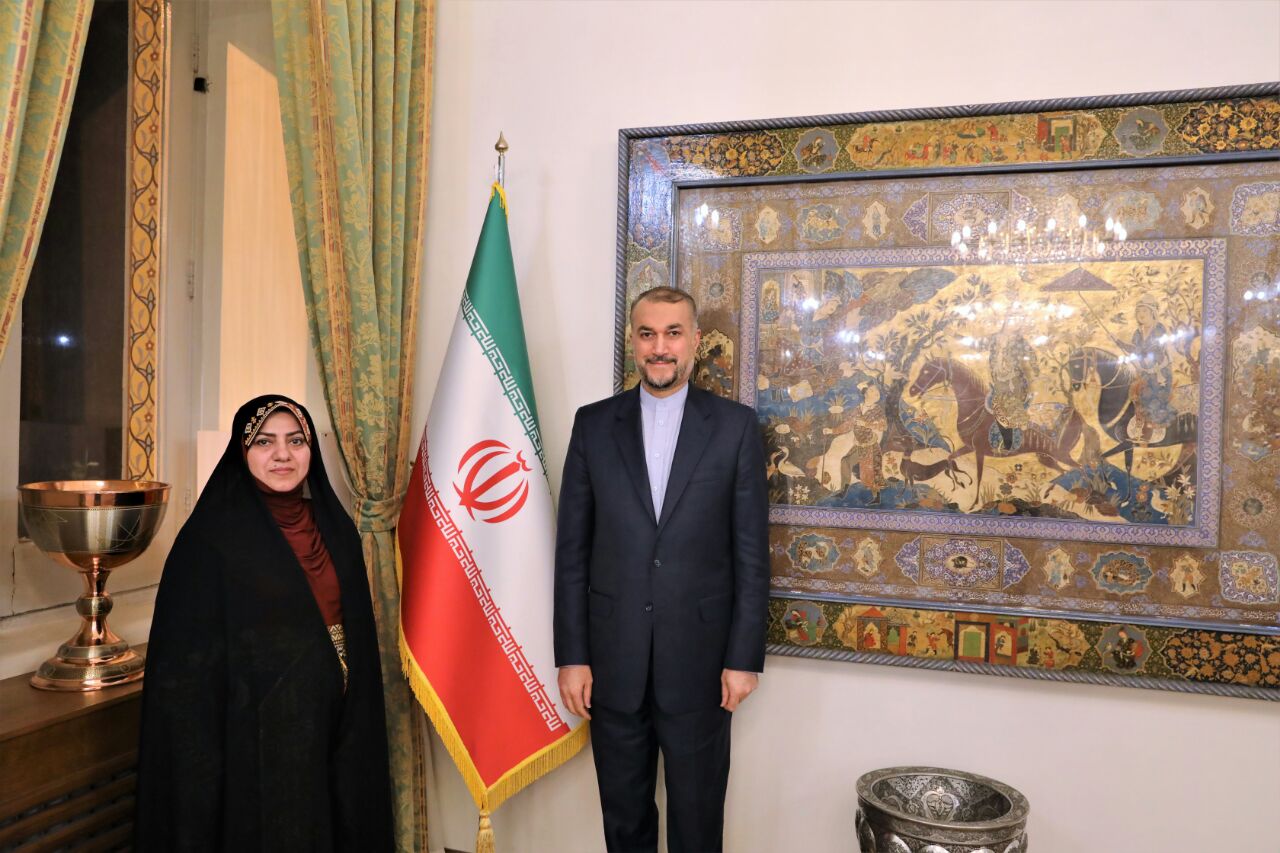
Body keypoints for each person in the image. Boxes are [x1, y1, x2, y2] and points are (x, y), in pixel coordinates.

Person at [554, 286, 770, 853]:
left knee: (697, 822)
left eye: (673, 333)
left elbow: (751, 555)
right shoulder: (592, 425)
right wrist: (572, 657)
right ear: (633, 341)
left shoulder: (735, 427)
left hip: (702, 666)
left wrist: (743, 659)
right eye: (647, 334)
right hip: (611, 663)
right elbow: (571, 552)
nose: (660, 347)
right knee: (624, 822)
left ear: (695, 341)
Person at [135, 395, 393, 851]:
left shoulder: (337, 530)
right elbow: (182, 673)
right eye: (264, 442)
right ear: (242, 450)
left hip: (340, 728)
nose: (282, 455)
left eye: (296, 441)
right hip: (256, 738)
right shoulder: (209, 540)